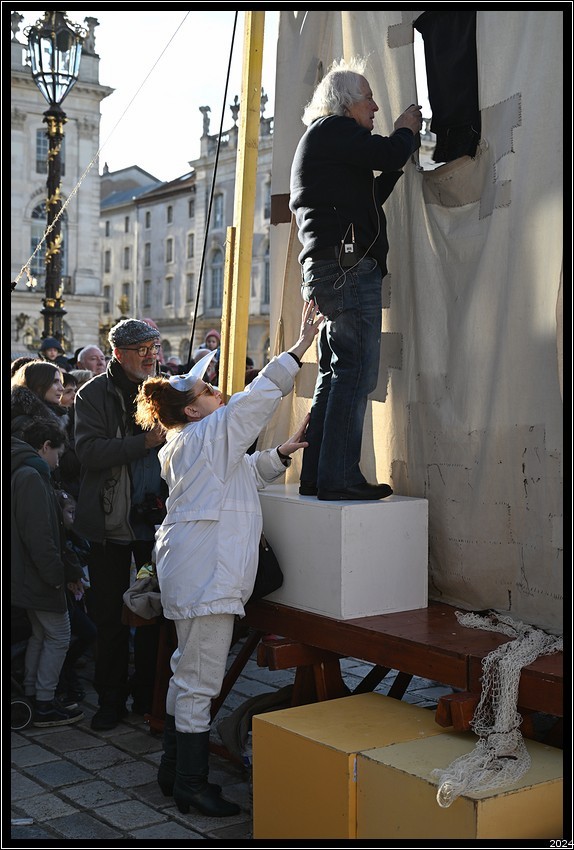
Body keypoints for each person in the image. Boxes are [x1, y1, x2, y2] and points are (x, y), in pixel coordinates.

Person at [133, 301, 322, 818]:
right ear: (193, 410)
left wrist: (280, 453)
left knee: (185, 671)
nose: (219, 392)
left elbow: (240, 476)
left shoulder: (192, 443)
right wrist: (298, 348)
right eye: (208, 391)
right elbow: (253, 402)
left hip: (194, 570)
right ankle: (191, 786)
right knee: (199, 681)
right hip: (206, 575)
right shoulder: (205, 436)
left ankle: (173, 772)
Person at [289, 56, 422, 501]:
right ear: (346, 103)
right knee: (356, 373)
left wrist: (397, 161)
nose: (376, 107)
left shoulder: (323, 140)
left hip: (329, 271)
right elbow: (385, 152)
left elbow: (367, 196)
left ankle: (318, 476)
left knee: (335, 373)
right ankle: (340, 477)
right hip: (347, 271)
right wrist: (405, 132)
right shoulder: (333, 130)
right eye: (369, 99)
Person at [73, 318, 167, 731]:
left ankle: (147, 694)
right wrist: (144, 442)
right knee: (109, 615)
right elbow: (89, 452)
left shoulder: (164, 389)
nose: (150, 357)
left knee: (151, 611)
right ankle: (110, 699)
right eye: (141, 350)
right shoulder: (93, 393)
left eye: (154, 348)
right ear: (118, 354)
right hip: (109, 527)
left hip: (152, 527)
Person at [11, 419, 85, 727]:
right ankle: (44, 702)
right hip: (39, 576)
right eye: (58, 454)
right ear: (45, 447)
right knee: (59, 635)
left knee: (42, 634)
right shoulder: (31, 476)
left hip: (28, 575)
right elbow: (40, 537)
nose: (58, 462)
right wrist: (56, 576)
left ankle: (34, 696)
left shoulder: (23, 471)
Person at [54, 489, 97, 706]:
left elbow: (84, 554)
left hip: (75, 595)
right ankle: (65, 677)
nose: (73, 517)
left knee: (87, 632)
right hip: (62, 597)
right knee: (79, 634)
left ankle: (67, 672)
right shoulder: (59, 537)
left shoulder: (73, 534)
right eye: (70, 512)